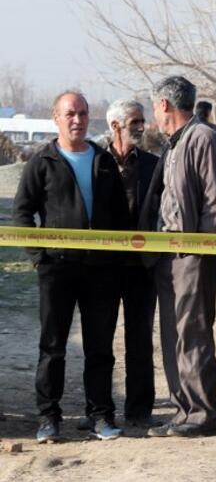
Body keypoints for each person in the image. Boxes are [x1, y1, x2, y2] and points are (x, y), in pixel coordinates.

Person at [14, 91, 130, 443]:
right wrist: (39, 256)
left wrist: (117, 259)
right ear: (56, 118)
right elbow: (21, 213)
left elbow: (121, 217)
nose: (77, 120)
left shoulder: (105, 161)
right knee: (53, 348)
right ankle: (49, 418)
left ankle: (101, 416)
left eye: (82, 113)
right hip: (57, 271)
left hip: (101, 273)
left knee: (100, 349)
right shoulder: (42, 161)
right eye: (70, 114)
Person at [147, 76, 216, 438]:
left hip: (192, 255)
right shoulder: (176, 143)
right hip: (170, 254)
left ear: (165, 105)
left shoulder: (203, 138)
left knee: (193, 332)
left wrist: (199, 252)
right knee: (175, 333)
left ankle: (202, 413)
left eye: (154, 106)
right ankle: (185, 409)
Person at [98, 99, 161, 427]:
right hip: (103, 268)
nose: (141, 126)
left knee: (139, 341)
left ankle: (139, 410)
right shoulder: (96, 162)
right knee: (100, 341)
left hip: (141, 268)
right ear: (115, 126)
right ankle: (100, 411)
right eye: (135, 121)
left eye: (142, 120)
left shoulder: (153, 164)